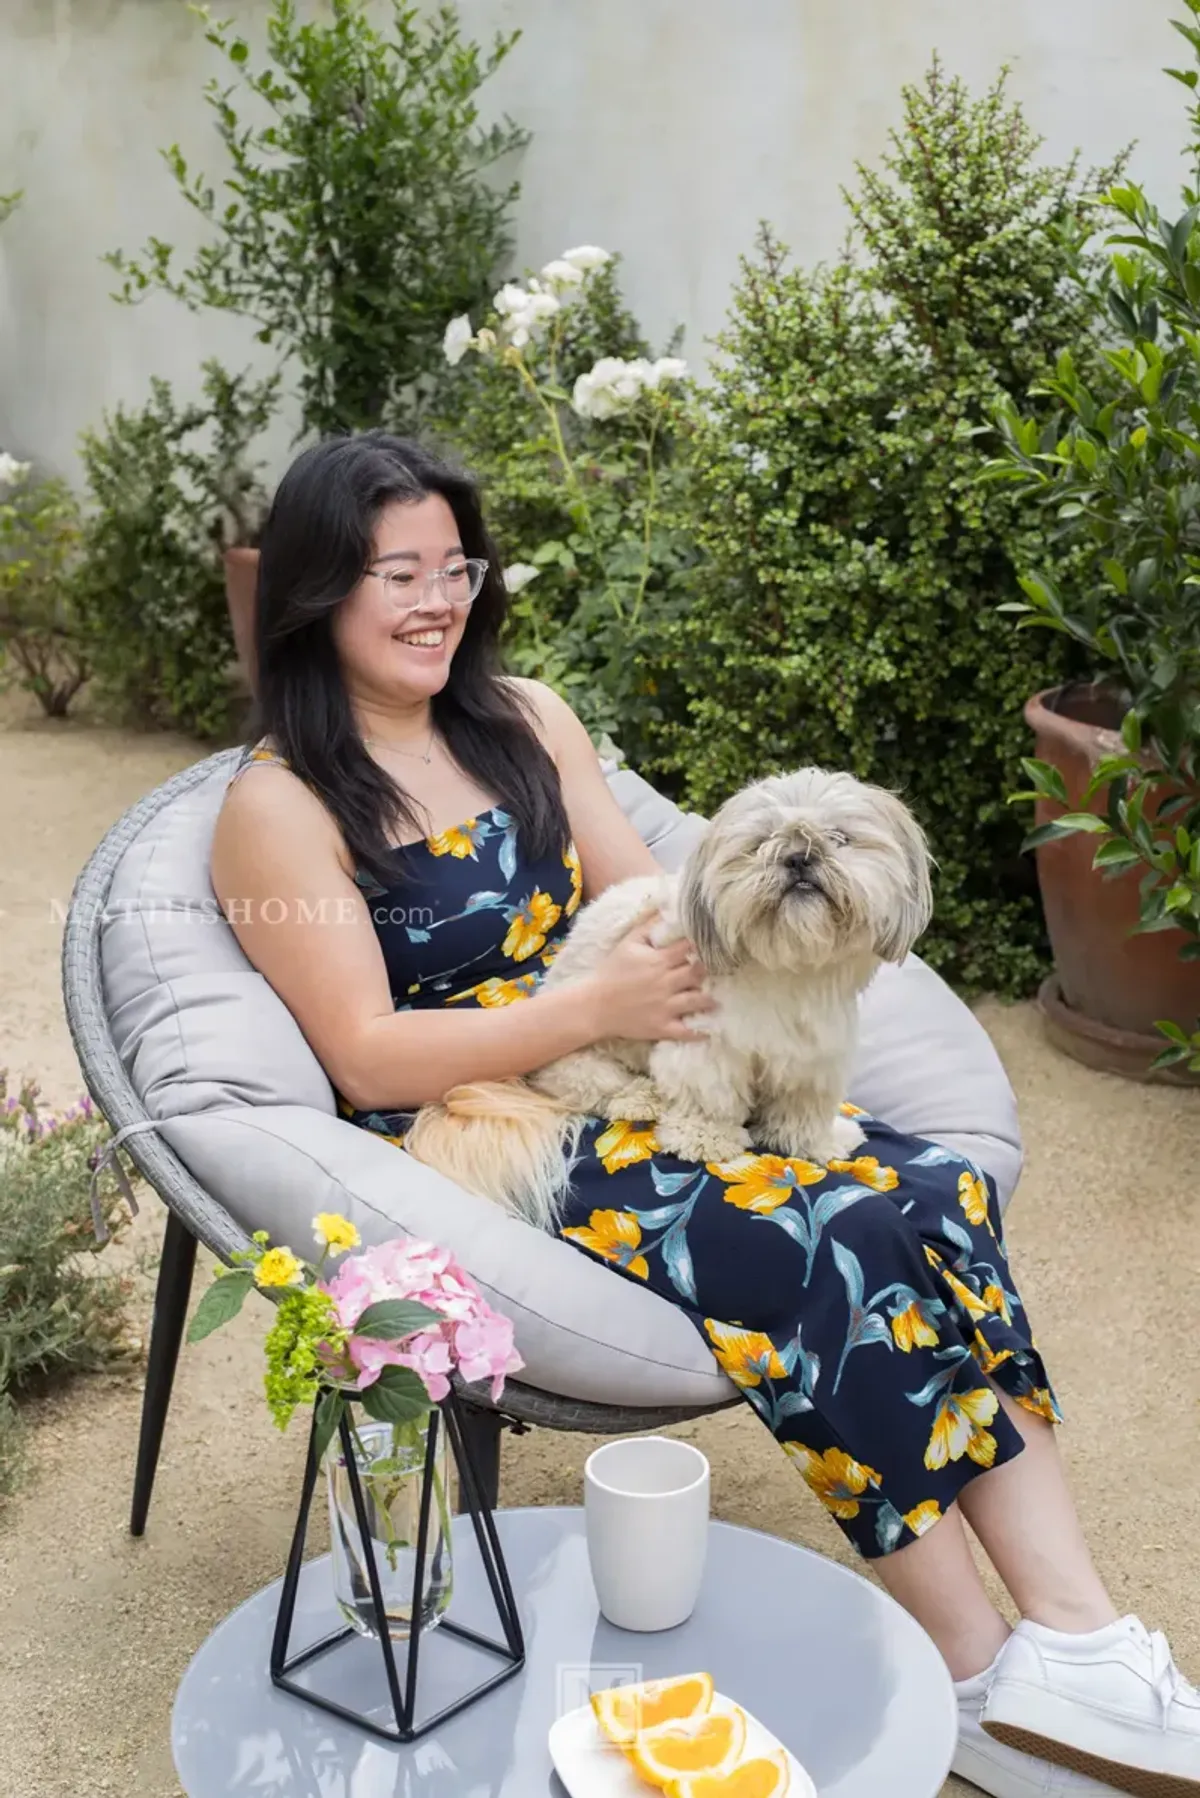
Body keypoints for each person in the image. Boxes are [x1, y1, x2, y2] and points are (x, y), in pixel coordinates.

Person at [210, 432, 1198, 1798]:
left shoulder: (528, 718)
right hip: (501, 1110)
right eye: (398, 573)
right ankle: (973, 1672)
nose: (439, 598)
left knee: (927, 1195)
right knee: (821, 1243)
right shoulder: (279, 803)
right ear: (318, 591)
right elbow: (370, 1054)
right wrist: (588, 1011)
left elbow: (659, 902)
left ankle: (1077, 1637)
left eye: (457, 564)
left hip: (653, 1046)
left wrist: (793, 908)